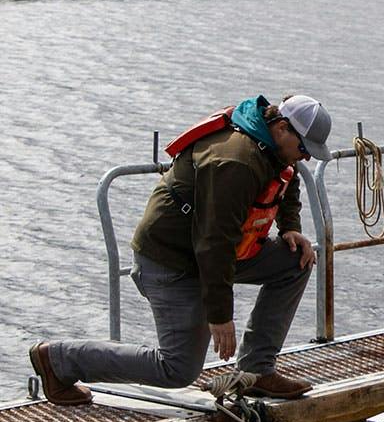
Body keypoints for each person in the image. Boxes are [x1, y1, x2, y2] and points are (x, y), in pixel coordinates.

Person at [29, 94, 334, 406]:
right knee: (177, 368)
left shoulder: (270, 145)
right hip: (170, 259)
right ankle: (58, 360)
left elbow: (286, 176)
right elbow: (214, 242)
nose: (305, 158)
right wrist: (220, 315)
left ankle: (257, 370)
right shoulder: (236, 162)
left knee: (296, 261)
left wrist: (289, 227)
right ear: (282, 128)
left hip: (212, 251)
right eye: (304, 149)